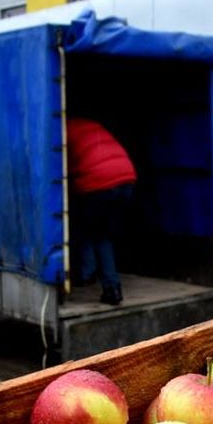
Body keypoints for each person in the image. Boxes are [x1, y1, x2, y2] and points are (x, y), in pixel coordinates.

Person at [66, 117, 136, 306]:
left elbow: (63, 166)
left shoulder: (61, 130)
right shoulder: (91, 125)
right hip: (126, 177)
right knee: (95, 230)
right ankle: (86, 274)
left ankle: (112, 289)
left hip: (99, 183)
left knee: (98, 235)